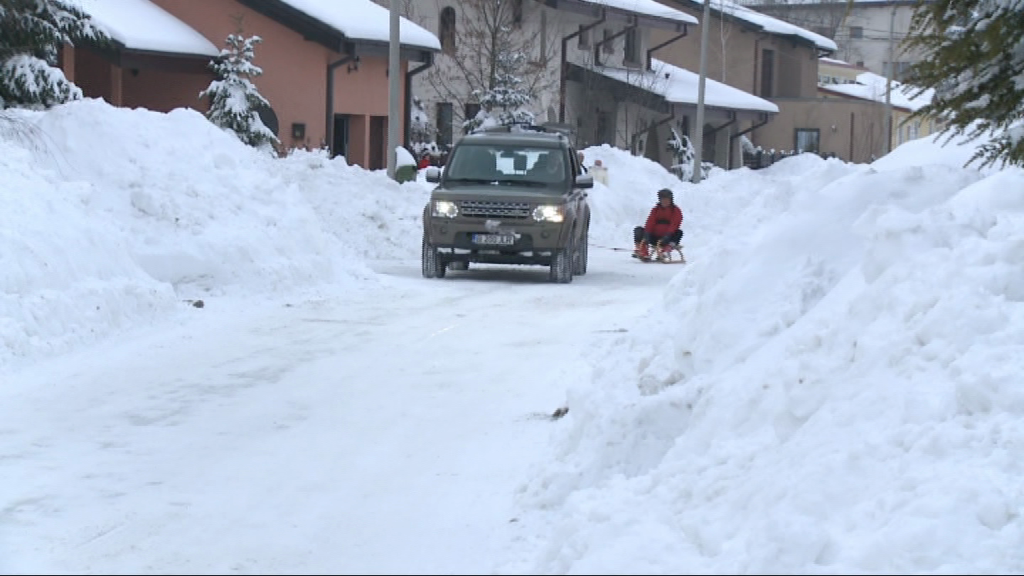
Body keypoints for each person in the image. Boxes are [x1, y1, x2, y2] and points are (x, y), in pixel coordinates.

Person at [633, 188, 683, 260]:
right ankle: (642, 250)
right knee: (638, 230)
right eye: (662, 199)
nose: (664, 201)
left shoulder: (675, 210)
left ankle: (666, 250)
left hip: (667, 238)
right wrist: (647, 233)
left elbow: (674, 224)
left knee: (679, 232)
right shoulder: (655, 210)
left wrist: (668, 235)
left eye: (666, 199)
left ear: (670, 200)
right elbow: (650, 222)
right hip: (655, 237)